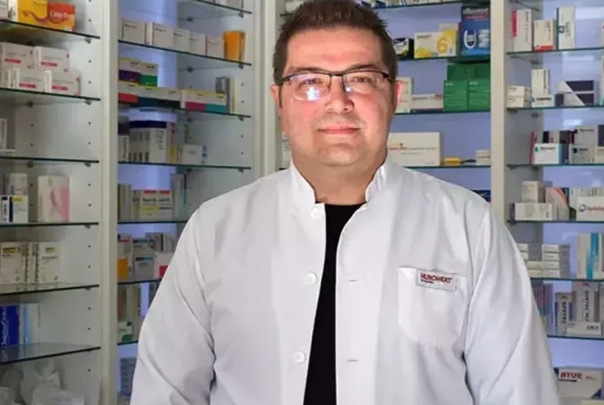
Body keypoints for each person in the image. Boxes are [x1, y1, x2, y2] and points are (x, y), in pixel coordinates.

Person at [129, 0, 561, 404]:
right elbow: (164, 391)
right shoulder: (215, 230)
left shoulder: (469, 226)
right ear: (279, 102)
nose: (338, 101)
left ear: (394, 97)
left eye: (361, 79)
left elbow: (519, 392)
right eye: (309, 82)